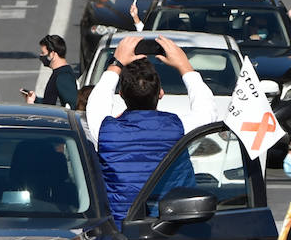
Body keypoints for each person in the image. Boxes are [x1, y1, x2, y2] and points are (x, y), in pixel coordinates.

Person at [86, 34, 215, 225]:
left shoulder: (106, 131)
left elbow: (96, 101)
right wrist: (184, 65)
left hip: (121, 229)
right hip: (171, 227)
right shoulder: (178, 128)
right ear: (160, 93)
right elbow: (208, 110)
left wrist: (116, 62)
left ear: (121, 95)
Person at [26, 33, 78, 107]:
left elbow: (72, 106)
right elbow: (51, 103)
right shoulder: (59, 73)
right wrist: (35, 100)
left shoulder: (63, 76)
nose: (41, 56)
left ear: (52, 54)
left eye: (43, 53)